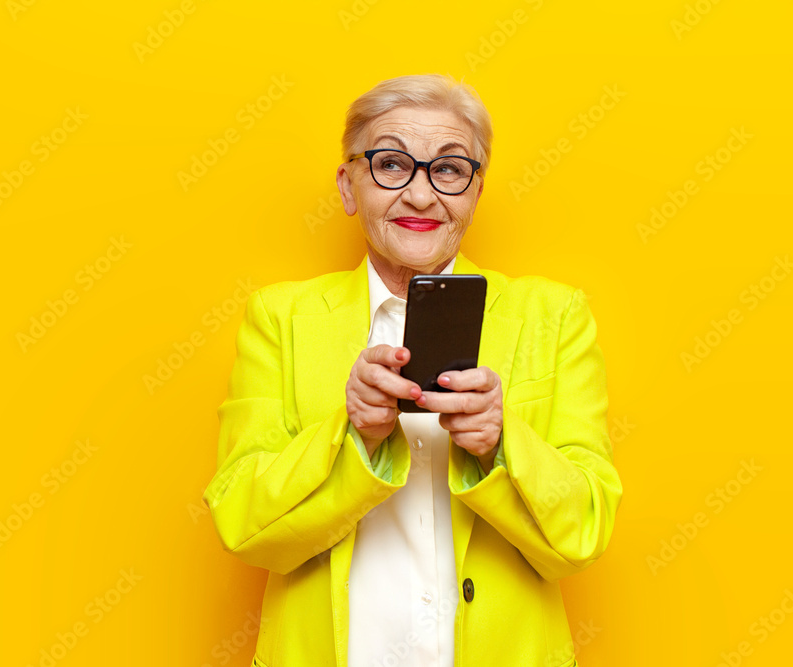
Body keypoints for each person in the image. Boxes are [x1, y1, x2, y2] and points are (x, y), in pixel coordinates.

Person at [203, 73, 623, 667]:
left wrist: (500, 446)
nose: (422, 196)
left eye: (449, 169)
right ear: (349, 187)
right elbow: (243, 524)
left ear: (476, 192)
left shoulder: (554, 316)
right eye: (391, 164)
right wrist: (353, 436)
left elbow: (584, 532)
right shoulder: (280, 317)